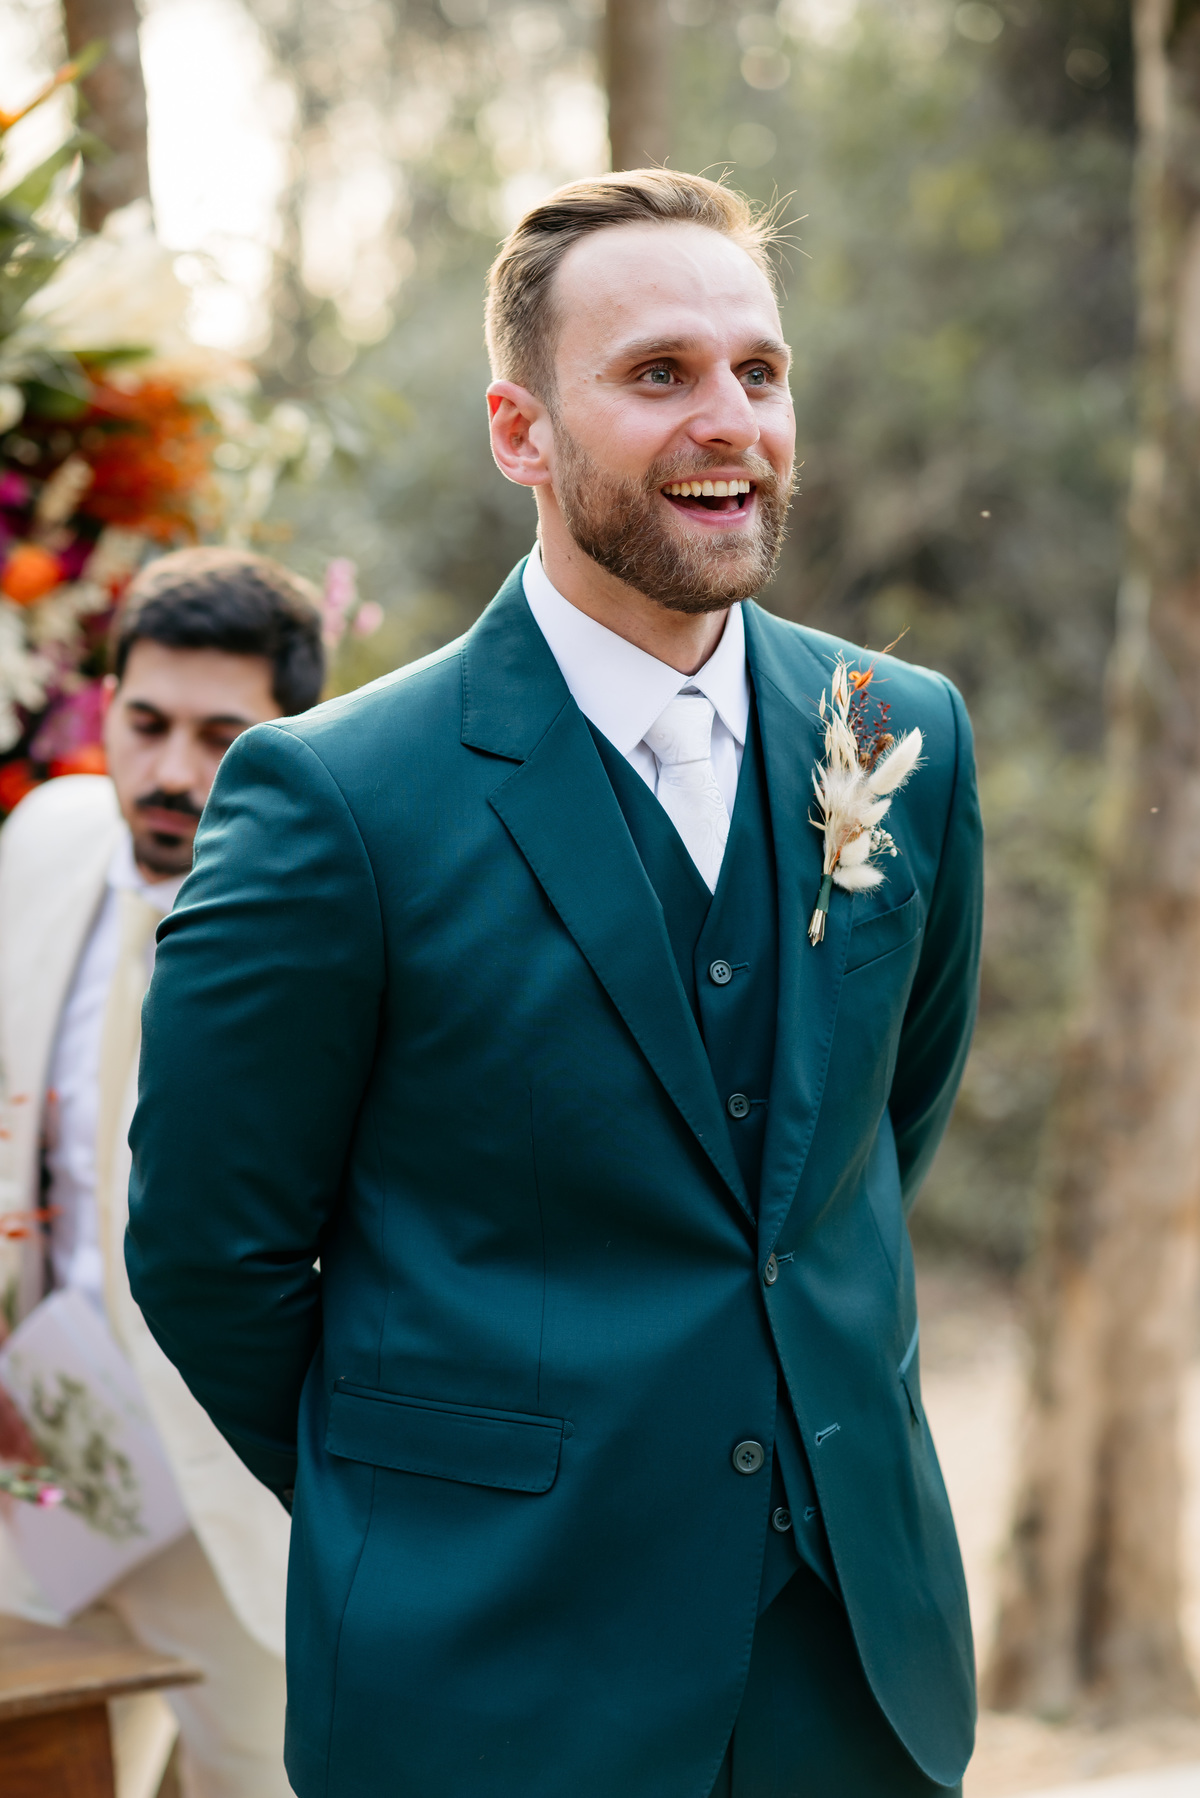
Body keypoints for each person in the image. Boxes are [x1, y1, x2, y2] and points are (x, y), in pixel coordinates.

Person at [126, 173, 983, 1798]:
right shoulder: (334, 798)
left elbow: (871, 1140)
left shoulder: (903, 736)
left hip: (853, 1666)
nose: (730, 420)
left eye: (759, 370)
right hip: (488, 1678)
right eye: (658, 373)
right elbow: (207, 1249)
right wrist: (422, 1501)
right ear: (519, 431)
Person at [0, 547, 325, 1798]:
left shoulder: (345, 918)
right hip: (49, 1460)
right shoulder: (44, 836)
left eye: (221, 735)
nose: (175, 770)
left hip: (243, 1496)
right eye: (146, 724)